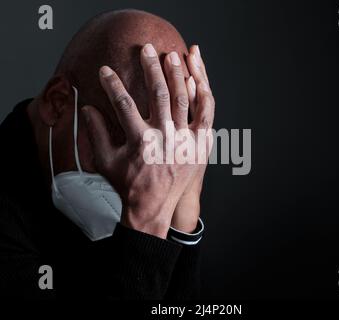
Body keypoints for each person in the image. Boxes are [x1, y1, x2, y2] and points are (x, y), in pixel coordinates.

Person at [0, 9, 215, 299]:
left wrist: (184, 214)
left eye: (165, 145)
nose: (151, 172)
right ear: (58, 103)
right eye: (126, 141)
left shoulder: (168, 171)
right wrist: (145, 225)